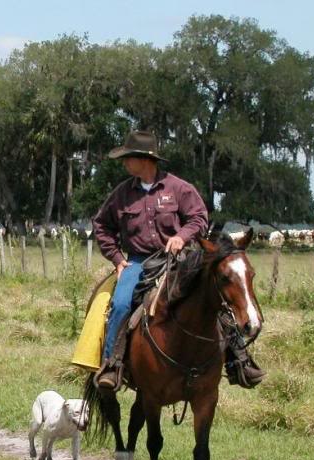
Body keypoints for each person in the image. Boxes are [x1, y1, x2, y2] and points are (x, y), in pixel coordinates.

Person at [91, 130, 265, 389]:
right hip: (138, 262)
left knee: (212, 298)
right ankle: (113, 364)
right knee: (120, 304)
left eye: (129, 157)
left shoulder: (179, 189)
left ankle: (239, 360)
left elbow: (198, 217)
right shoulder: (121, 194)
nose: (124, 162)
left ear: (146, 159)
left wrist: (182, 236)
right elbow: (101, 225)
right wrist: (117, 259)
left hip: (180, 259)